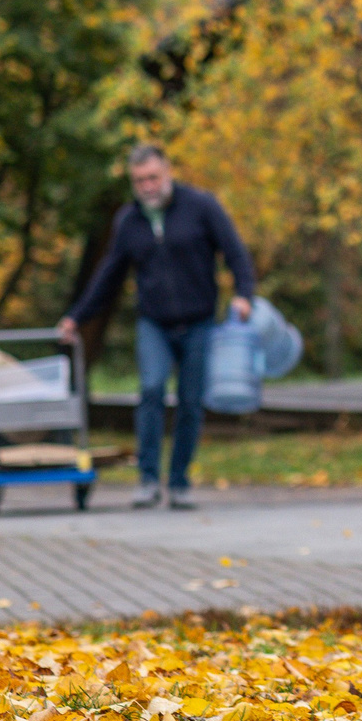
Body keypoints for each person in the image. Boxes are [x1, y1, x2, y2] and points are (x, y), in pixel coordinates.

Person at [59, 144, 258, 510]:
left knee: (190, 402)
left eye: (153, 177)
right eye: (139, 181)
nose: (147, 186)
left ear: (167, 173)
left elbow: (235, 253)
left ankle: (179, 482)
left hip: (199, 321)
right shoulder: (128, 221)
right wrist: (77, 316)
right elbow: (109, 275)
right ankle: (148, 480)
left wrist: (244, 294)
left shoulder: (201, 207)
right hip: (154, 322)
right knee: (151, 390)